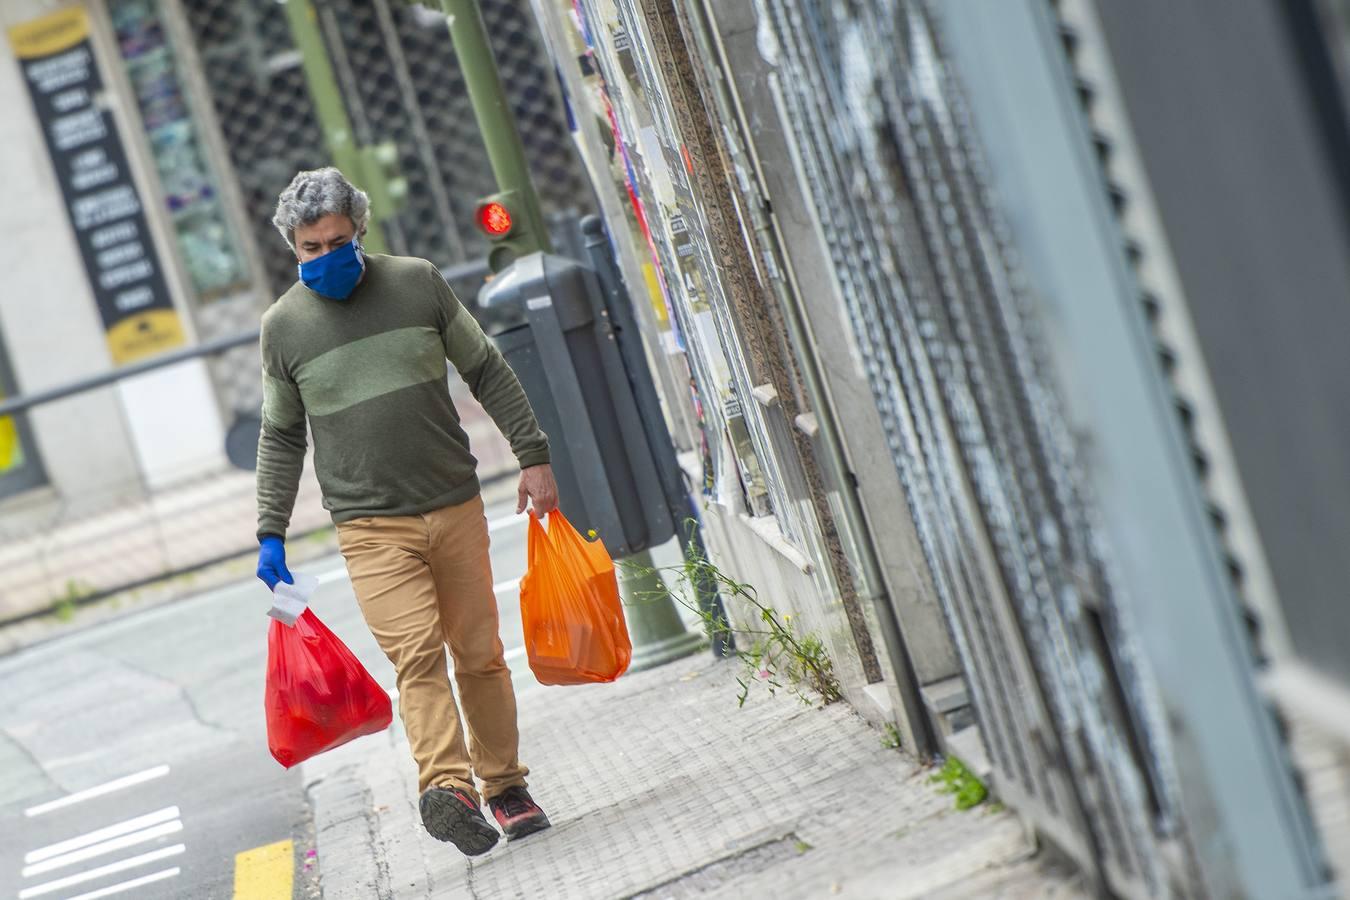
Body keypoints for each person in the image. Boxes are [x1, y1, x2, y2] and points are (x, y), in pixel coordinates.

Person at [253, 167, 556, 856]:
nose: (325, 258)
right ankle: (447, 790)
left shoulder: (417, 282)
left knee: (479, 656)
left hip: (453, 506)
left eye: (336, 241)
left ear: (359, 229)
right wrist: (269, 532)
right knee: (418, 657)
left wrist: (533, 454)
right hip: (369, 529)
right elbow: (280, 433)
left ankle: (505, 788)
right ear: (292, 248)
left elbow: (486, 368)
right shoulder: (284, 329)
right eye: (309, 248)